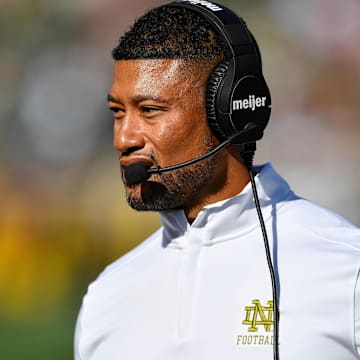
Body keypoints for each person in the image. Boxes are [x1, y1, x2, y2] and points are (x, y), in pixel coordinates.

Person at [74, 1, 360, 359]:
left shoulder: (348, 270)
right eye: (118, 112)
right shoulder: (104, 299)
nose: (123, 138)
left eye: (149, 110)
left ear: (230, 110)